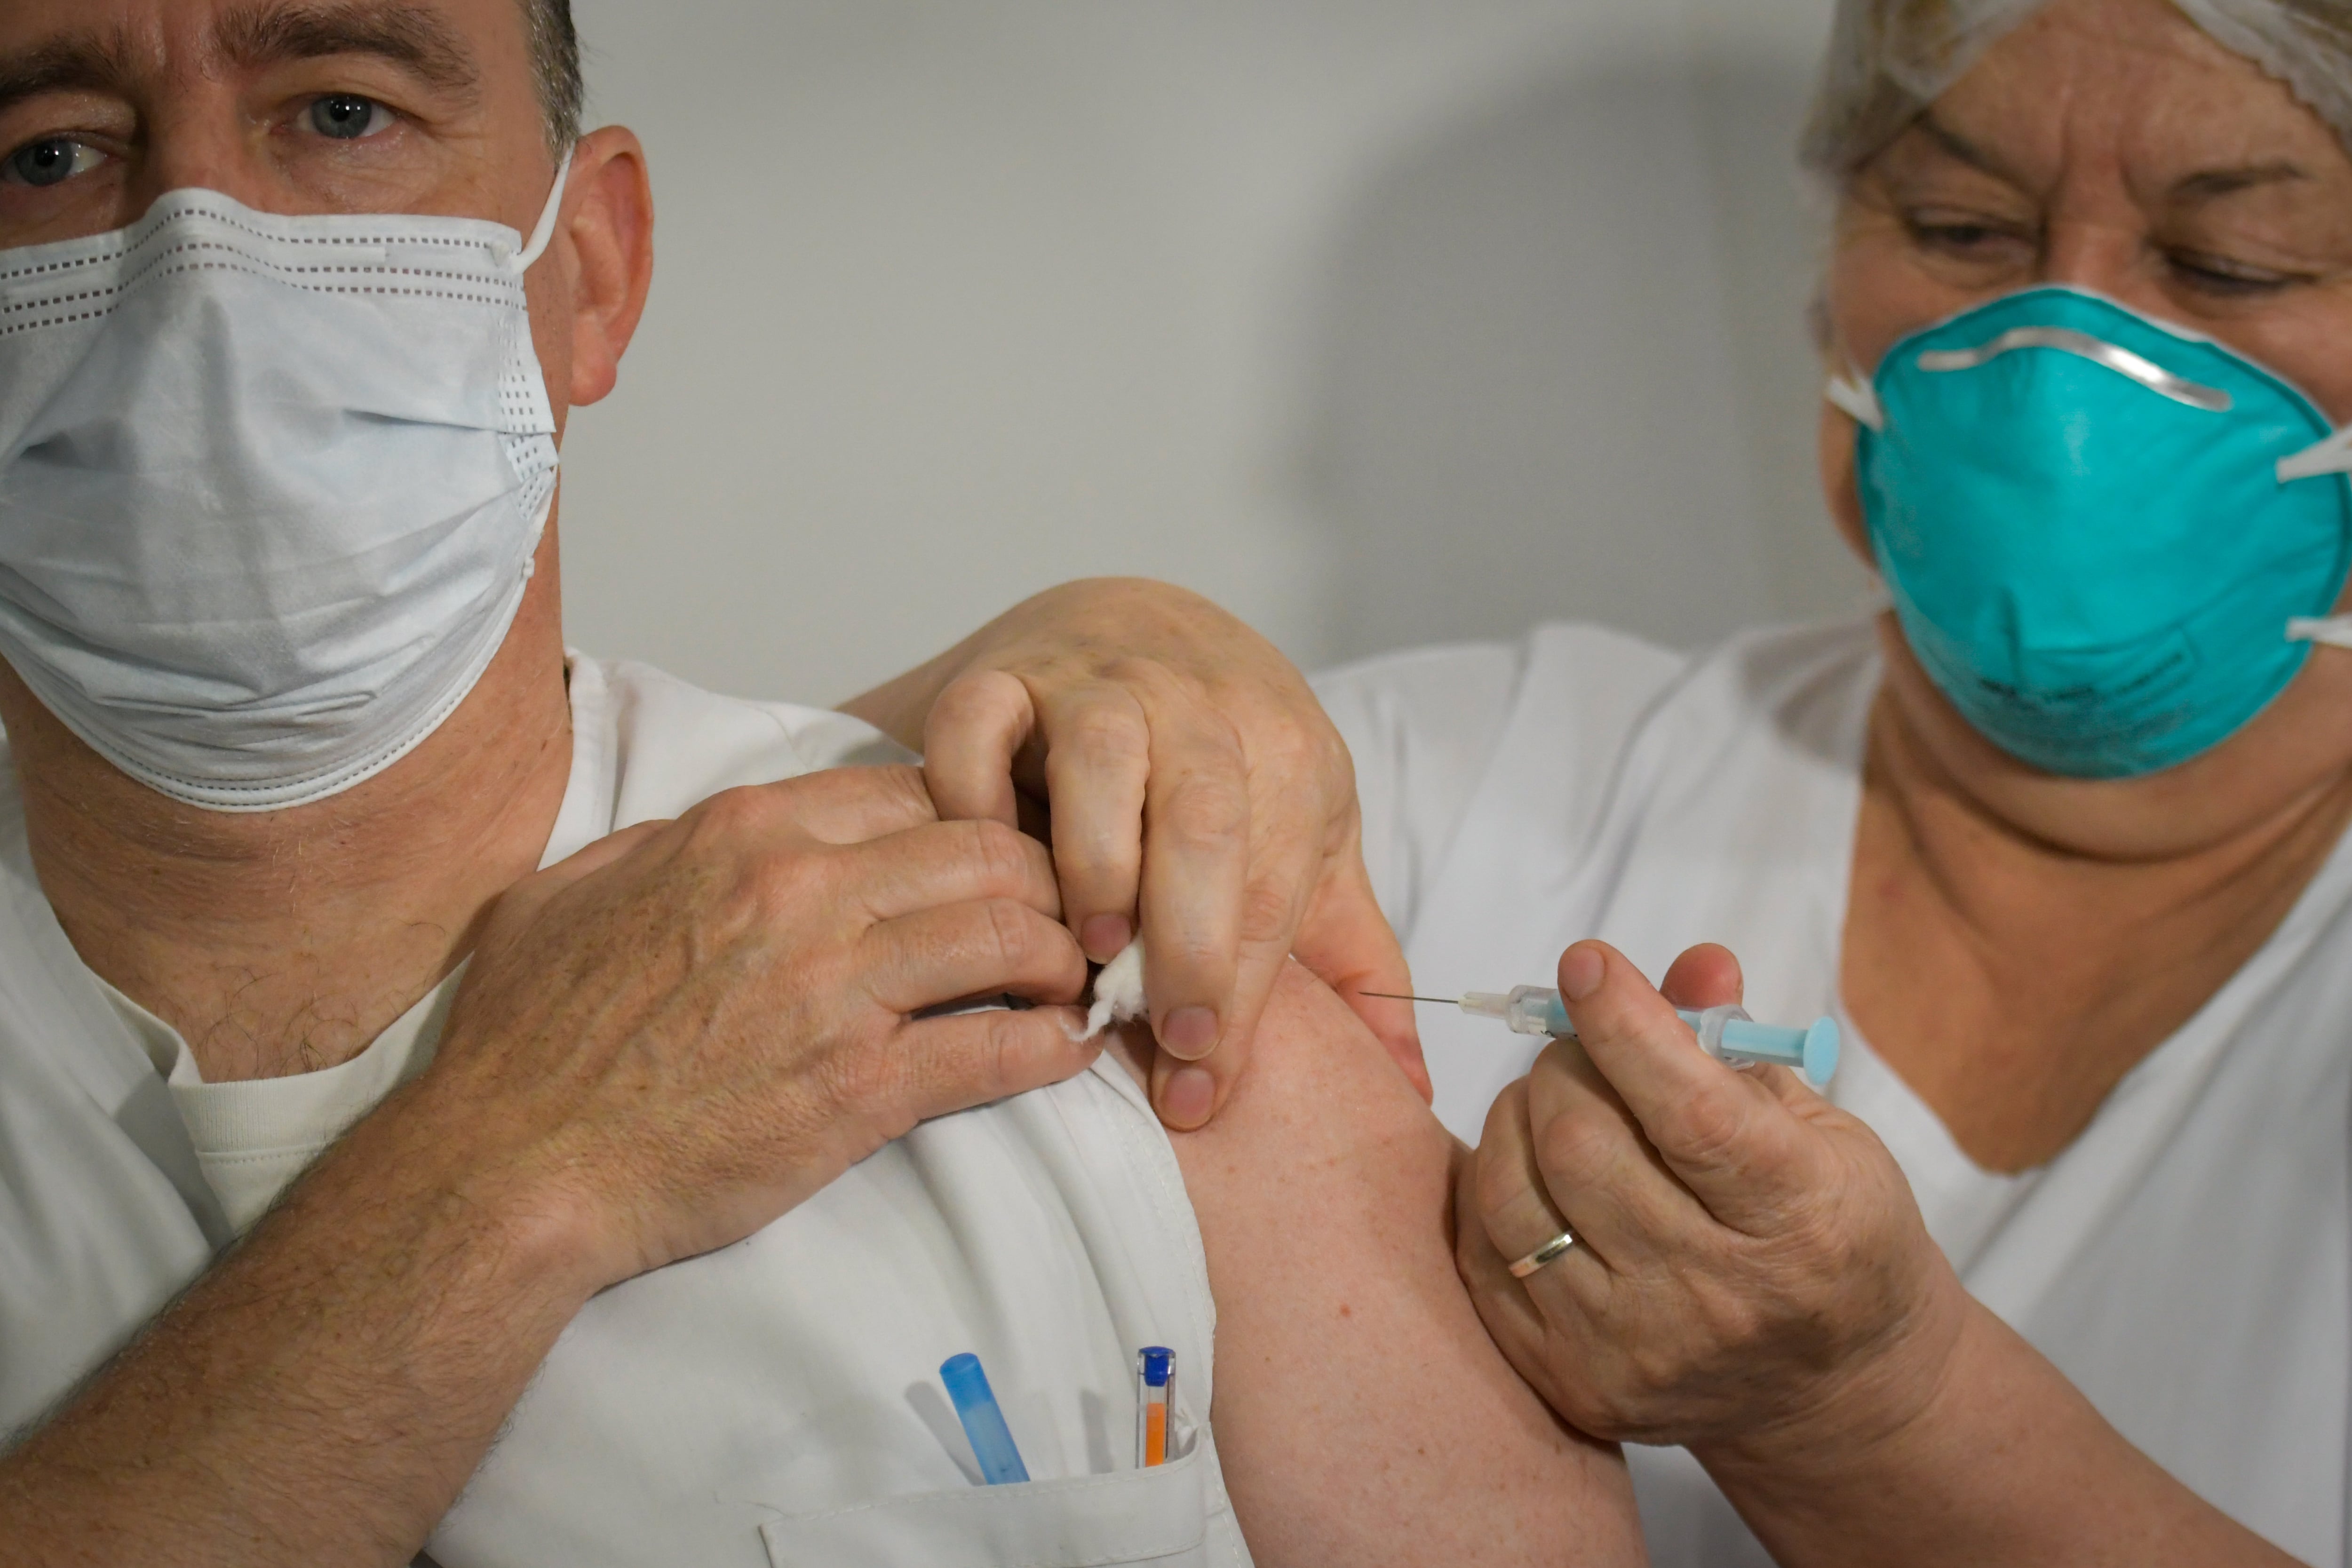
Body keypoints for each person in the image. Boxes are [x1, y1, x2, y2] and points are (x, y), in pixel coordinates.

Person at [0, 1, 1645, 1563]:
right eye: (46, 153)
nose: (191, 262)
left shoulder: (1079, 952)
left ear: (592, 269)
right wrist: (517, 1159)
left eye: (345, 112)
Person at [1304, 0, 2352, 1562]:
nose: (2060, 366)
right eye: (1959, 224)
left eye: (2233, 265)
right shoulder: (1481, 775)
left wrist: (1865, 1414)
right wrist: (1100, 648)